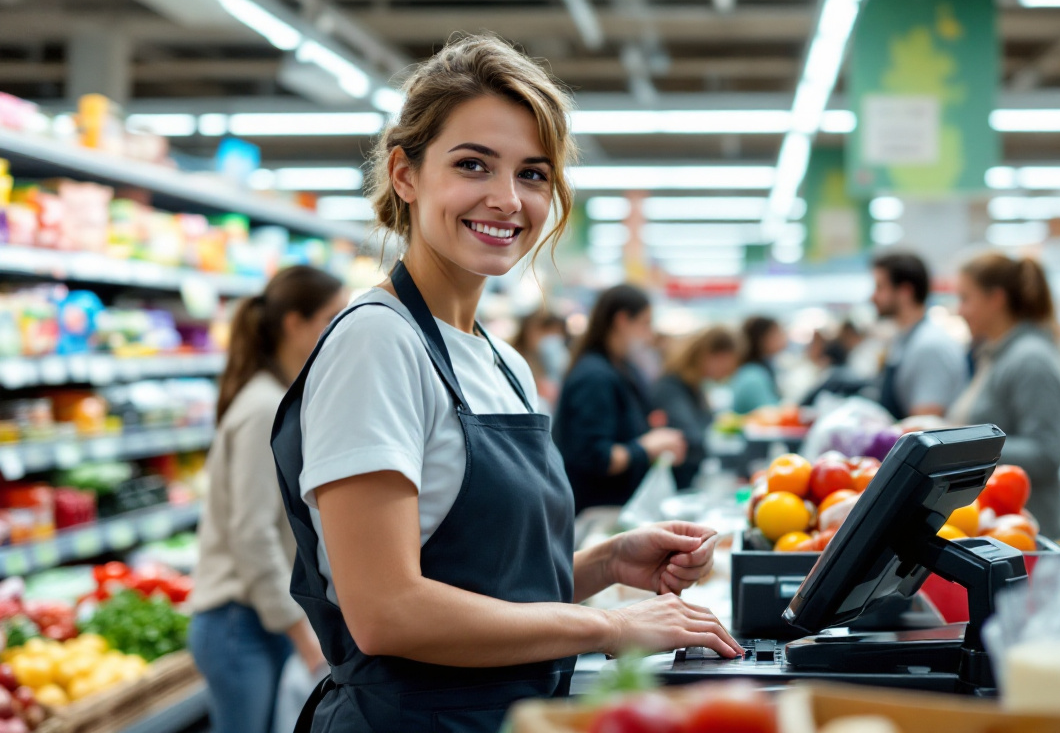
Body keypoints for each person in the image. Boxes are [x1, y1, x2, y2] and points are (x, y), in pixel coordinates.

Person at [269, 36, 739, 733]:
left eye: (533, 174)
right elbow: (387, 611)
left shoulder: (502, 361)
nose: (506, 199)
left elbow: (484, 584)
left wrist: (608, 561)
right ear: (405, 173)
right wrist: (608, 628)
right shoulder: (378, 342)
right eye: (472, 165)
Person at [188, 265, 346, 733]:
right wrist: (300, 631)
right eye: (330, 318)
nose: (339, 331)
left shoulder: (280, 397)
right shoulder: (263, 409)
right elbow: (251, 534)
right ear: (294, 324)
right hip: (242, 624)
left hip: (260, 619)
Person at [946, 253, 1060, 537]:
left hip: (1022, 533)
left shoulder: (1030, 359)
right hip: (996, 529)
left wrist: (958, 445)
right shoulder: (994, 355)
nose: (960, 310)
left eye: (966, 298)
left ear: (996, 299)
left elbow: (1046, 453)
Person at [554, 285, 688, 511]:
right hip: (595, 511)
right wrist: (647, 447)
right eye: (645, 323)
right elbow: (596, 457)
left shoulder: (622, 368)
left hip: (618, 507)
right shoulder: (595, 377)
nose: (650, 334)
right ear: (622, 320)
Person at [870, 251, 969, 419]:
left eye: (880, 287)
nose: (873, 297)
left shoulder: (930, 347)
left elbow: (925, 428)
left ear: (905, 291)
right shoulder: (905, 339)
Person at [651, 326, 739, 489]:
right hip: (677, 485)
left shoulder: (694, 387)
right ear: (712, 355)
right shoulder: (671, 387)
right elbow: (690, 438)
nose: (728, 371)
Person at [511, 309, 568, 409]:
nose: (552, 338)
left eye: (557, 333)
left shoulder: (548, 360)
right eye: (547, 331)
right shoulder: (514, 359)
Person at [731, 316, 786, 413]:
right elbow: (771, 415)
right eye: (777, 333)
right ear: (761, 338)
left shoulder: (761, 368)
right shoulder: (752, 376)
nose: (783, 337)